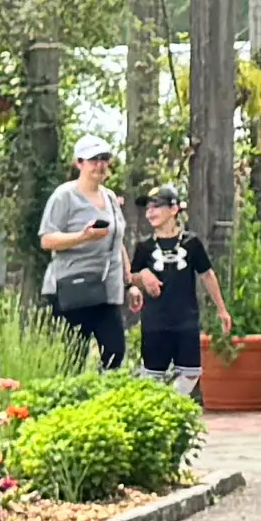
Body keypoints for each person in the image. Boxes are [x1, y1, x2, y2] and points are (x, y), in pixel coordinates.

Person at [122, 186, 228, 385]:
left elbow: (207, 274)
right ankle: (157, 403)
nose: (150, 212)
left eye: (156, 206)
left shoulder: (191, 243)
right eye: (147, 208)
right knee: (152, 377)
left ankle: (173, 400)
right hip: (155, 322)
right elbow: (132, 277)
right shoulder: (144, 246)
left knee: (191, 373)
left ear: (174, 209)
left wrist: (221, 309)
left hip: (185, 320)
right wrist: (144, 276)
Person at [34, 147, 129, 368]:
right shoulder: (64, 195)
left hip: (107, 288)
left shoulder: (110, 197)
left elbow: (117, 238)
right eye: (93, 160)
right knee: (72, 357)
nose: (100, 165)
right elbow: (47, 240)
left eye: (104, 159)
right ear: (79, 163)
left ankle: (103, 390)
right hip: (73, 287)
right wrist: (83, 237)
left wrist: (129, 280)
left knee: (115, 353)